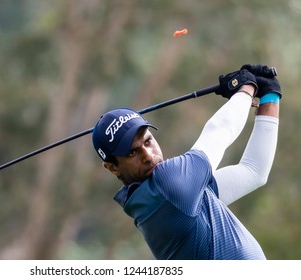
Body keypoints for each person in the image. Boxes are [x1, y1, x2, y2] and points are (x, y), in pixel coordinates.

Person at [92, 64, 281, 260]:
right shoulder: (168, 186)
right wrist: (245, 87)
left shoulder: (168, 197)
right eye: (132, 153)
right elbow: (220, 130)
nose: (148, 155)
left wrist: (270, 96)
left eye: (148, 141)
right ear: (112, 167)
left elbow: (254, 172)